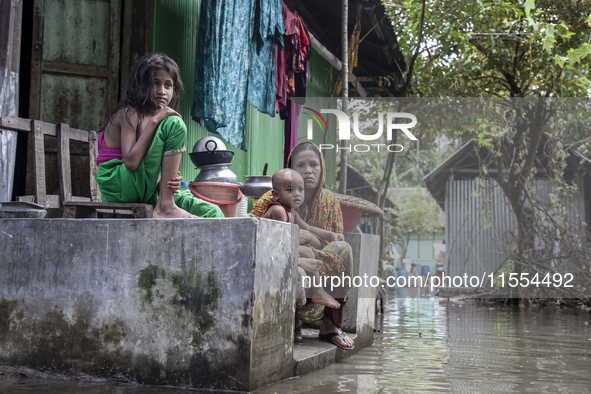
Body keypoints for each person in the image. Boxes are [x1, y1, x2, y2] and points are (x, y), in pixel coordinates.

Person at [251, 142, 355, 350]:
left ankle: (329, 324)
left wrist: (310, 238)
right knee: (298, 267)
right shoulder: (272, 201)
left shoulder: (328, 201)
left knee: (343, 249)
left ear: (322, 169)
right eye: (301, 165)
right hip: (278, 258)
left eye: (314, 165)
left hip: (315, 263)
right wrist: (301, 241)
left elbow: (323, 240)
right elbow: (254, 236)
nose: (308, 170)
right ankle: (291, 324)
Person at [95, 54, 223, 219]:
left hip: (142, 187)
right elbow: (131, 162)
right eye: (155, 83)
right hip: (118, 185)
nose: (162, 91)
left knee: (212, 212)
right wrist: (155, 120)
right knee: (175, 124)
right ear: (141, 85)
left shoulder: (161, 119)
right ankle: (166, 206)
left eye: (168, 85)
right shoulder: (130, 112)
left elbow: (149, 164)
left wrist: (167, 181)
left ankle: (166, 203)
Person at [262, 168, 342, 309]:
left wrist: (331, 235)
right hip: (269, 252)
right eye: (290, 190)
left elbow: (309, 229)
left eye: (301, 190)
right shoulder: (278, 211)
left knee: (308, 251)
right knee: (305, 252)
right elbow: (279, 243)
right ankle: (301, 264)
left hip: (282, 249)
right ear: (276, 195)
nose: (297, 194)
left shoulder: (292, 212)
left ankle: (318, 291)